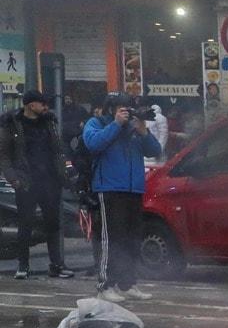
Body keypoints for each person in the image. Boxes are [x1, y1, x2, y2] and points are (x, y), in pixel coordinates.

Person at [83, 93, 161, 302]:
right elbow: (93, 144)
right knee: (111, 239)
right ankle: (105, 285)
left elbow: (156, 150)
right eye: (120, 108)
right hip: (109, 189)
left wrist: (143, 131)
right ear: (111, 109)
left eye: (127, 108)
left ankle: (127, 283)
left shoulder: (133, 128)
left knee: (132, 239)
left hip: (133, 189)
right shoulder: (97, 123)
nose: (125, 112)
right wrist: (116, 124)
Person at [1, 90, 73, 279]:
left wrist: (62, 173)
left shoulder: (49, 122)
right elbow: (5, 154)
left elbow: (58, 149)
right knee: (25, 223)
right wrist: (14, 179)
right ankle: (23, 265)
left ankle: (56, 264)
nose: (45, 107)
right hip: (26, 181)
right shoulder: (14, 124)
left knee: (53, 223)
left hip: (49, 180)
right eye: (41, 104)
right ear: (31, 105)